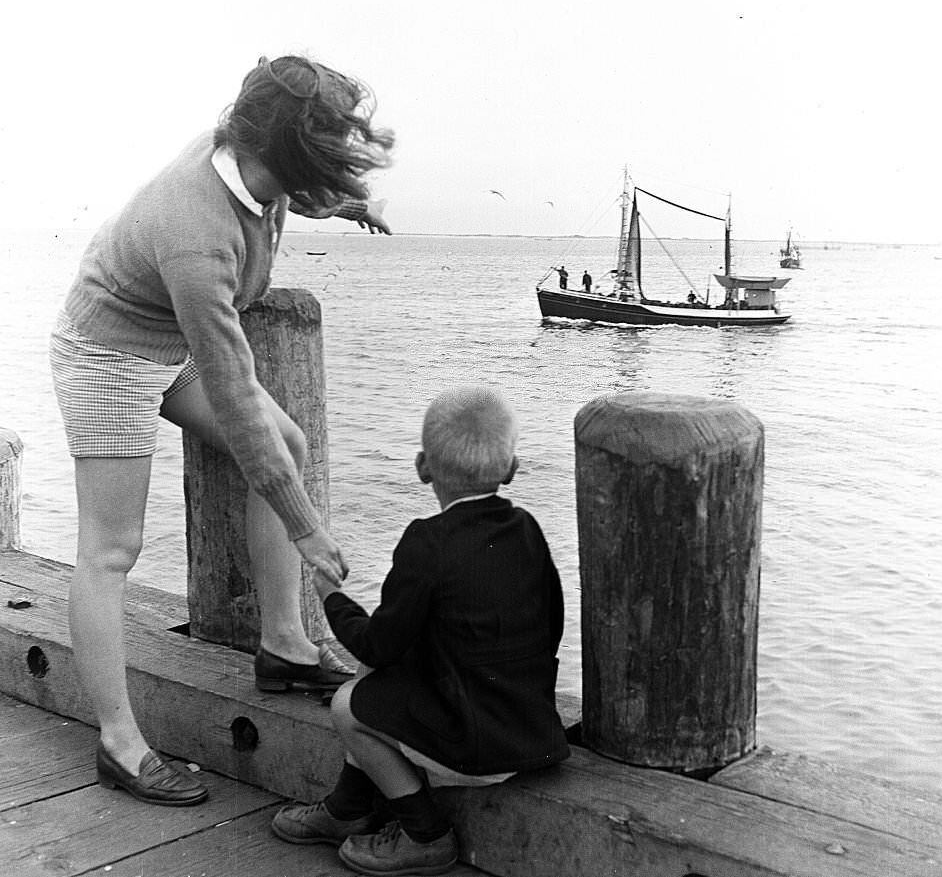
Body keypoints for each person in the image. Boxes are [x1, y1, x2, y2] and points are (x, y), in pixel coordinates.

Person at [49, 55, 395, 807]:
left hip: (168, 342)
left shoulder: (248, 157)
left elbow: (275, 192)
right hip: (108, 354)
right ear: (284, 150)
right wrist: (308, 530)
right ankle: (119, 742)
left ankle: (285, 645)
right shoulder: (193, 230)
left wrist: (339, 208)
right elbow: (237, 399)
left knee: (290, 445)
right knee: (112, 549)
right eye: (325, 148)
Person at [271, 385, 569, 875]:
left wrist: (330, 595)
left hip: (477, 748)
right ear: (512, 470)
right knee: (381, 668)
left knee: (351, 703)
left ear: (422, 467)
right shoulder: (529, 529)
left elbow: (375, 645)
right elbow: (551, 627)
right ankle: (348, 807)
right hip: (529, 727)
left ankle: (424, 833)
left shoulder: (425, 542)